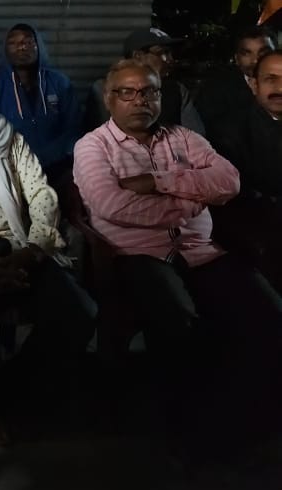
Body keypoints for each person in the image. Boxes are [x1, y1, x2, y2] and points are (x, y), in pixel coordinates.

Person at [73, 59, 282, 451]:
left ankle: (247, 423)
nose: (140, 100)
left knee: (268, 314)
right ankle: (187, 434)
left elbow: (229, 181)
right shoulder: (92, 146)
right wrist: (190, 203)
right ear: (109, 99)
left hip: (201, 251)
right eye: (127, 92)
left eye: (149, 92)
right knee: (180, 325)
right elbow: (110, 204)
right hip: (138, 256)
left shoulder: (182, 137)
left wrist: (158, 181)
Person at [0, 67, 96, 438]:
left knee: (80, 313)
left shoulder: (8, 138)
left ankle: (15, 387)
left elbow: (40, 194)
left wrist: (34, 248)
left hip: (21, 247)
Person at [209, 50, 282, 286]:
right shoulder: (229, 132)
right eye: (271, 79)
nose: (280, 88)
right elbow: (237, 197)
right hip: (260, 239)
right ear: (253, 84)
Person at [0, 23, 81, 182]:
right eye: (13, 43)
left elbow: (74, 127)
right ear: (5, 49)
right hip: (10, 171)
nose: (21, 47)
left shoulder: (59, 82)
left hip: (58, 168)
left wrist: (57, 157)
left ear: (39, 46)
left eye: (28, 41)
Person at [84, 27, 204, 134]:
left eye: (171, 53)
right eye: (162, 53)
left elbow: (196, 135)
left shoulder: (176, 90)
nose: (170, 60)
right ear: (138, 56)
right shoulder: (105, 89)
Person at [197, 25, 276, 131]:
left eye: (263, 52)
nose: (255, 60)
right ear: (237, 59)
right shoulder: (215, 90)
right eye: (247, 54)